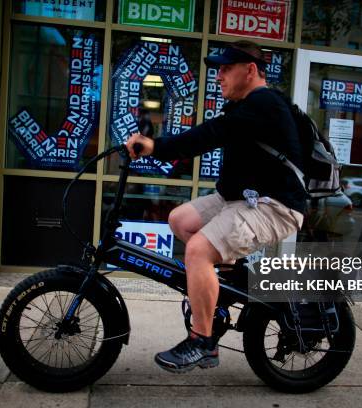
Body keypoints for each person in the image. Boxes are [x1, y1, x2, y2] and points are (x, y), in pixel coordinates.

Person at [125, 40, 306, 373]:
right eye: (218, 70)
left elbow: (208, 135)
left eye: (225, 69)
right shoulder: (244, 105)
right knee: (180, 219)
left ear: (250, 70)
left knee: (196, 251)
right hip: (242, 197)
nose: (218, 76)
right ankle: (219, 295)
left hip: (275, 205)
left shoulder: (263, 103)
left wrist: (155, 146)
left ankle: (203, 342)